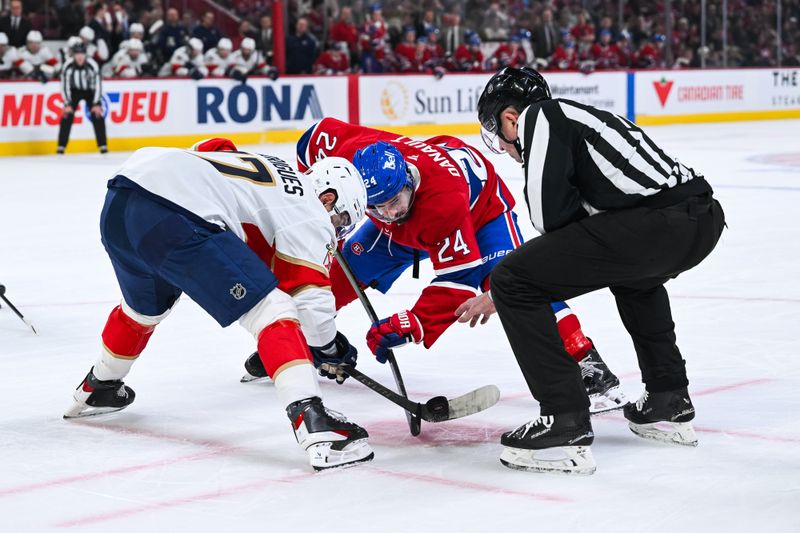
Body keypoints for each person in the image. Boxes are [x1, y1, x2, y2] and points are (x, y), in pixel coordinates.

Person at [242, 118, 627, 415]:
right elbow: (314, 139)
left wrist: (410, 323)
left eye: (395, 200)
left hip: (482, 215)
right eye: (378, 205)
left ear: (409, 180)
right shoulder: (356, 158)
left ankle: (587, 361)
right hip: (416, 221)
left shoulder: (443, 202)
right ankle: (297, 341)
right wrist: (323, 200)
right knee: (333, 277)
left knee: (511, 287)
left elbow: (457, 281)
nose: (391, 212)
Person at [467, 67, 725, 474]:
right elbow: (586, 228)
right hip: (699, 219)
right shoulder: (580, 119)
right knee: (635, 278)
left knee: (513, 278)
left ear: (511, 117)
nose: (501, 143)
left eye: (497, 128)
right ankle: (667, 398)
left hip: (659, 224)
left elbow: (548, 219)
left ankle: (563, 419)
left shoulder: (542, 116)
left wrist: (503, 290)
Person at [63, 138, 374, 471]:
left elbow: (212, 146)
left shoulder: (270, 165)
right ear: (328, 198)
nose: (337, 229)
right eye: (340, 220)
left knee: (143, 309)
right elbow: (310, 306)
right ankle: (317, 427)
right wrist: (328, 348)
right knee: (273, 309)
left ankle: (98, 387)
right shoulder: (312, 212)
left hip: (123, 196)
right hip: (174, 216)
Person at [57, 42, 107, 154]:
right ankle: (61, 146)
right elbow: (64, 86)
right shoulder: (68, 66)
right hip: (74, 92)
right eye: (77, 54)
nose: (80, 57)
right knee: (67, 115)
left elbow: (98, 85)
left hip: (90, 91)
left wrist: (96, 103)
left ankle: (103, 145)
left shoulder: (92, 65)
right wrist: (67, 103)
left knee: (97, 114)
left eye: (82, 54)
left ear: (85, 55)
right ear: (73, 55)